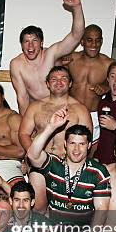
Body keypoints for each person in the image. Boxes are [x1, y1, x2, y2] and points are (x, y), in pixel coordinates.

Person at [19, 66, 92, 212]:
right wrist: (32, 156)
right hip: (40, 163)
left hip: (66, 165)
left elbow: (87, 141)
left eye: (63, 78)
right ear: (47, 83)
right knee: (38, 207)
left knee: (61, 210)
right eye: (54, 79)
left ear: (70, 83)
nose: (59, 82)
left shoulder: (80, 109)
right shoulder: (36, 106)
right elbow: (23, 134)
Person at [9, 0, 85, 115]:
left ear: (42, 43)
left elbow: (76, 36)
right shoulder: (16, 64)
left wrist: (77, 7)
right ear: (21, 45)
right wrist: (26, 125)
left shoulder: (51, 54)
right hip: (38, 111)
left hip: (60, 108)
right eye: (26, 42)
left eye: (34, 41)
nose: (30, 46)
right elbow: (22, 98)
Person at [63, 24, 113, 141]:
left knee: (90, 149)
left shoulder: (108, 64)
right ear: (82, 41)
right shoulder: (71, 59)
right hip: (71, 112)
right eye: (89, 40)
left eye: (97, 41)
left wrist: (107, 87)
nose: (94, 45)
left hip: (94, 115)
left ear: (102, 41)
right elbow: (55, 76)